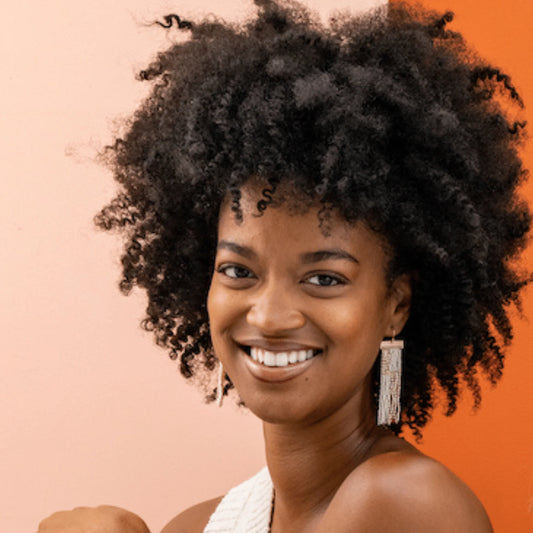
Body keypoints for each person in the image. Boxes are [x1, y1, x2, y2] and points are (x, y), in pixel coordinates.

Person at [38, 0, 530, 531]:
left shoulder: (404, 502)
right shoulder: (203, 523)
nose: (269, 317)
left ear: (396, 305)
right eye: (238, 271)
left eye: (323, 279)